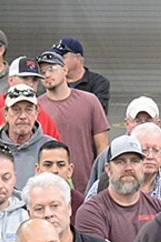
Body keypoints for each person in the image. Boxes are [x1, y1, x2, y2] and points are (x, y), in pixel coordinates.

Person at [34, 48, 109, 194]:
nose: (47, 75)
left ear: (65, 70)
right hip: (47, 188)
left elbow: (102, 146)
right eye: (42, 72)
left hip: (86, 186)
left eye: (51, 69)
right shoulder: (35, 108)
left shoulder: (89, 101)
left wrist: (101, 182)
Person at [75, 135, 161, 242]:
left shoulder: (160, 209)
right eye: (120, 162)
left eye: (135, 161)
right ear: (108, 169)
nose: (128, 168)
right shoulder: (90, 212)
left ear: (142, 167)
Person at [55, 37, 112, 110]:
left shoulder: (98, 83)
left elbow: (98, 113)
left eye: (62, 58)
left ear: (77, 58)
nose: (57, 62)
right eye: (55, 58)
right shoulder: (54, 82)